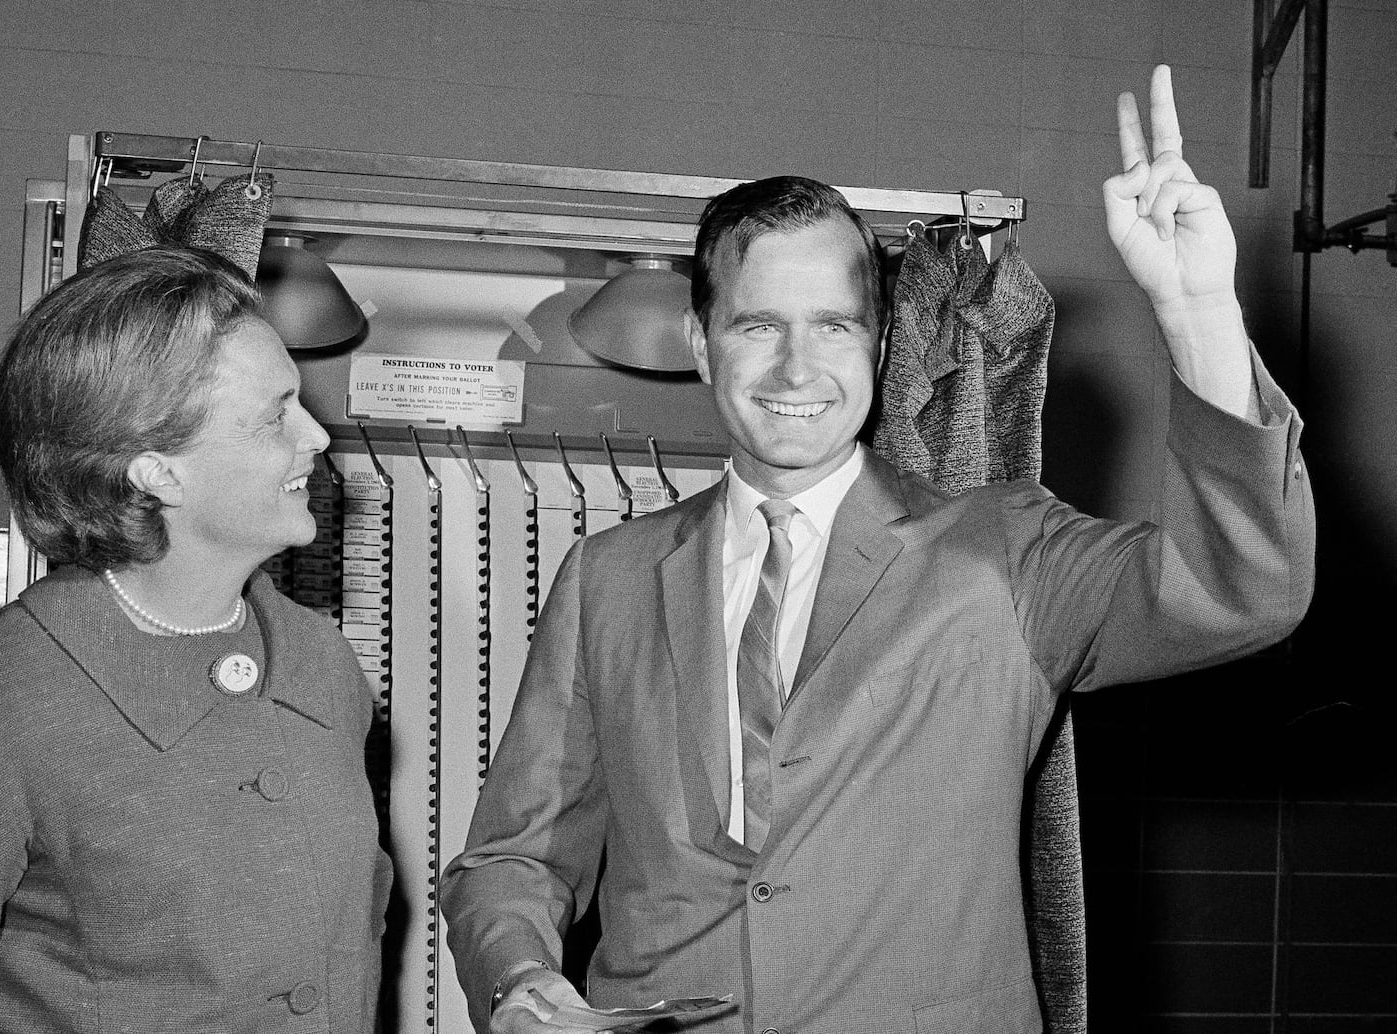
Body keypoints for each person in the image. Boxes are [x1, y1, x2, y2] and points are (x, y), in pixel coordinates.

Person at [440, 66, 1314, 1033]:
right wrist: (522, 979)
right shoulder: (606, 579)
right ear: (699, 340)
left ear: (883, 339)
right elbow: (513, 858)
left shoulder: (1005, 549)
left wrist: (1200, 319)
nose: (798, 369)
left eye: (835, 327)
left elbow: (1243, 592)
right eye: (758, 325)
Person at [0, 247, 392, 1034]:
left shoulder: (322, 665)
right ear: (156, 471)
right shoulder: (12, 695)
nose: (318, 436)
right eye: (273, 416)